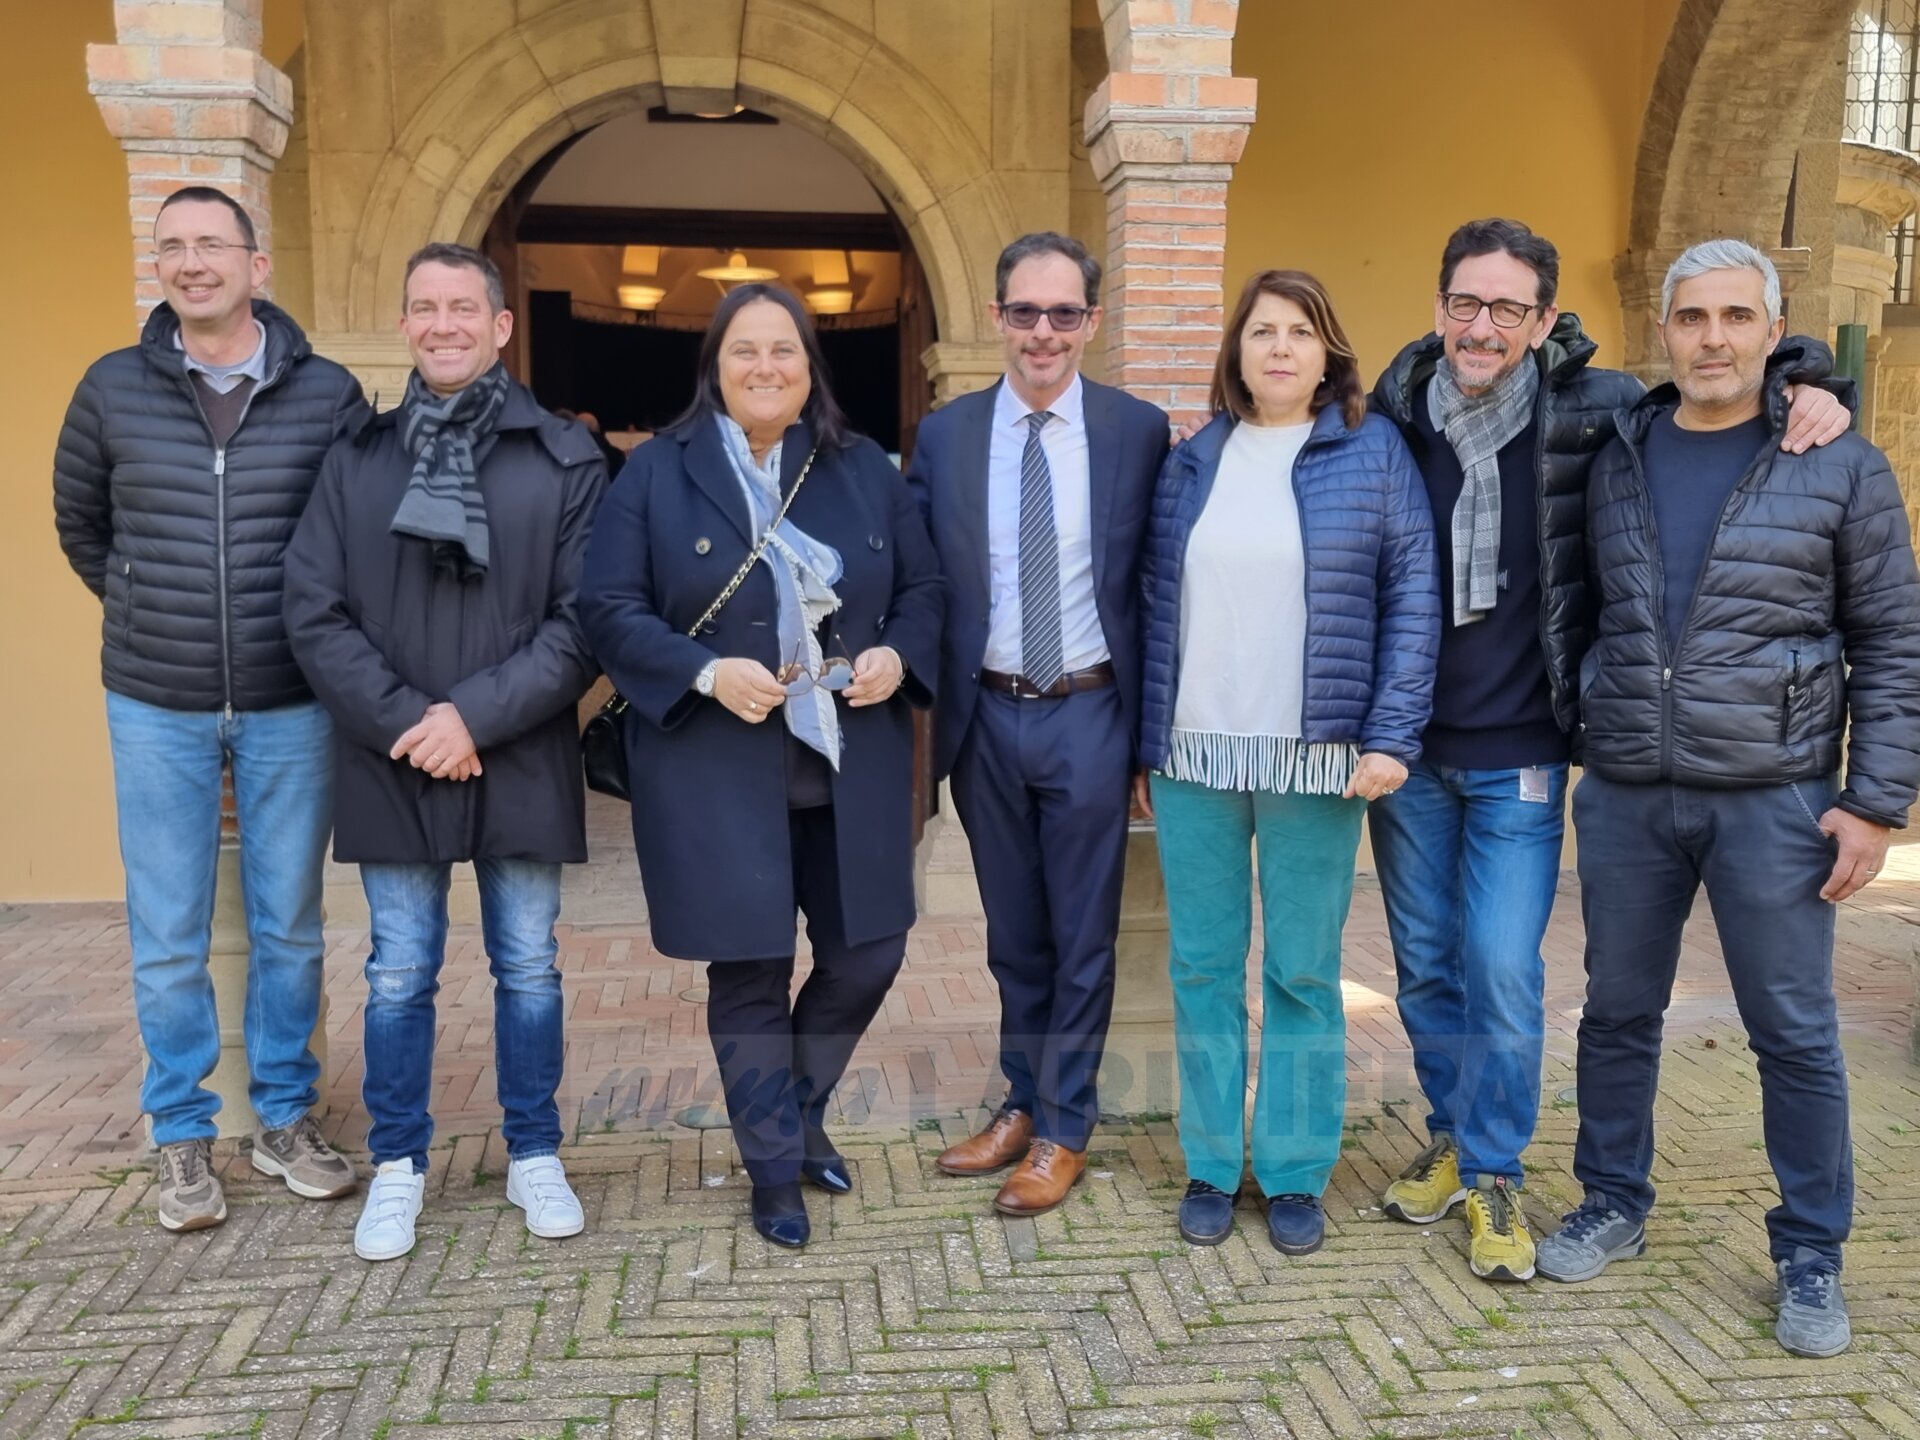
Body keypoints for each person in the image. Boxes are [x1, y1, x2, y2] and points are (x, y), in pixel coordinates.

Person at [1363, 219, 1853, 1283]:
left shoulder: (1599, 411)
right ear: (1440, 306)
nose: (1481, 325)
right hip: (1407, 752)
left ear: (1547, 321)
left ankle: (1497, 1170)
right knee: (1428, 967)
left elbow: (1726, 372)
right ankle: (1452, 1139)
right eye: (1464, 302)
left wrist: (1814, 377)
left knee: (1500, 964)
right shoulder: (1396, 409)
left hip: (1527, 746)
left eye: (1507, 307)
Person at [1535, 240, 1920, 1359]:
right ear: (1664, 330)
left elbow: (1892, 638)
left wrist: (1876, 799)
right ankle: (1612, 1199)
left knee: (1793, 1031)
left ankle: (1811, 1252)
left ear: (1771, 330)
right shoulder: (1617, 450)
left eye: (1737, 319)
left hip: (1777, 796)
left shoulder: (1838, 461)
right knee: (1615, 1013)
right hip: (1630, 792)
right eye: (1692, 317)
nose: (1713, 338)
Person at [578, 283, 943, 1250]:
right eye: (745, 351)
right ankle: (774, 1167)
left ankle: (791, 1106)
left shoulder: (861, 468)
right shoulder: (658, 473)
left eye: (785, 349)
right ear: (715, 367)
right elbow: (608, 607)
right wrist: (701, 670)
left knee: (871, 953)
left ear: (808, 364)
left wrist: (896, 657)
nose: (766, 367)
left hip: (846, 756)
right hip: (713, 763)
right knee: (750, 972)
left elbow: (926, 588)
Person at [283, 243, 606, 1262]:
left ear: (501, 325)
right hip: (392, 751)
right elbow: (314, 610)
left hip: (515, 748)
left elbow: (584, 620)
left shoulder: (564, 456)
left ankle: (535, 1153)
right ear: (406, 324)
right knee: (397, 973)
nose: (443, 325)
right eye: (423, 307)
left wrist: (471, 718)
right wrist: (410, 724)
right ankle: (398, 1164)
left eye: (463, 307)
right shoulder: (358, 457)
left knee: (529, 967)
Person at [53, 186, 366, 1233]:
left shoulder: (329, 395)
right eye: (172, 247)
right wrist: (157, 613)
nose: (192, 263)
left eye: (211, 245)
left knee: (289, 924)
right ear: (161, 268)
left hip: (291, 700)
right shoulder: (110, 389)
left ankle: (282, 1119)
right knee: (167, 929)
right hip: (155, 699)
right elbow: (83, 528)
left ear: (255, 264)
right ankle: (182, 1137)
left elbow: (357, 539)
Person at [1137, 270, 1438, 1254]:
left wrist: (1394, 734)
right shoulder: (1192, 463)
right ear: (1236, 352)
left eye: (1299, 333)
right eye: (1261, 331)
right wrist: (1146, 742)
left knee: (1305, 971)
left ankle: (1298, 1168)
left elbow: (1411, 598)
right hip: (1196, 752)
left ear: (1327, 353)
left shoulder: (1372, 452)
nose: (1278, 348)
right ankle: (1213, 1163)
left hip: (1321, 755)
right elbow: (1151, 604)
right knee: (1203, 966)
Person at [907, 233, 1169, 1216]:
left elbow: (1153, 589)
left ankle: (1065, 1129)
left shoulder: (1138, 432)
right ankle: (1020, 1103)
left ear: (1092, 323)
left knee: (1082, 936)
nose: (1044, 332)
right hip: (987, 715)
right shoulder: (946, 435)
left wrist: (1148, 742)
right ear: (998, 319)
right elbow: (925, 582)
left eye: (1064, 314)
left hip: (1092, 712)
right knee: (1014, 934)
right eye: (1026, 312)